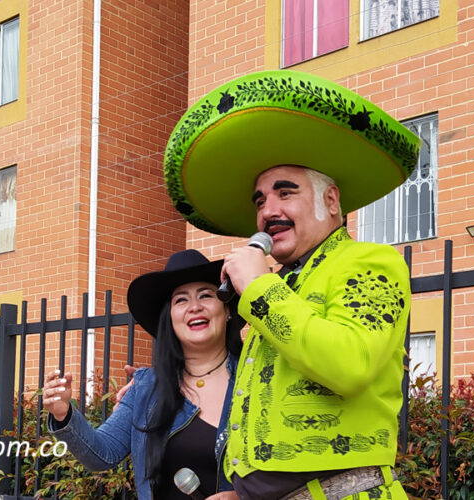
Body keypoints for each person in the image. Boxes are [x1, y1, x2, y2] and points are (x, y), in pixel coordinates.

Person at [162, 70, 420, 499]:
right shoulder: (281, 287)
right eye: (260, 201)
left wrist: (261, 287)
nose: (268, 211)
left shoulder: (372, 262)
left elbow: (348, 365)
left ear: (331, 201)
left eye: (285, 193)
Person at [42, 249, 243, 499]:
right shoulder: (146, 388)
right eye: (181, 300)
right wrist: (63, 414)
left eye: (206, 295)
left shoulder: (257, 377)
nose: (195, 307)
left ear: (227, 310)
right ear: (169, 318)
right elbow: (102, 454)